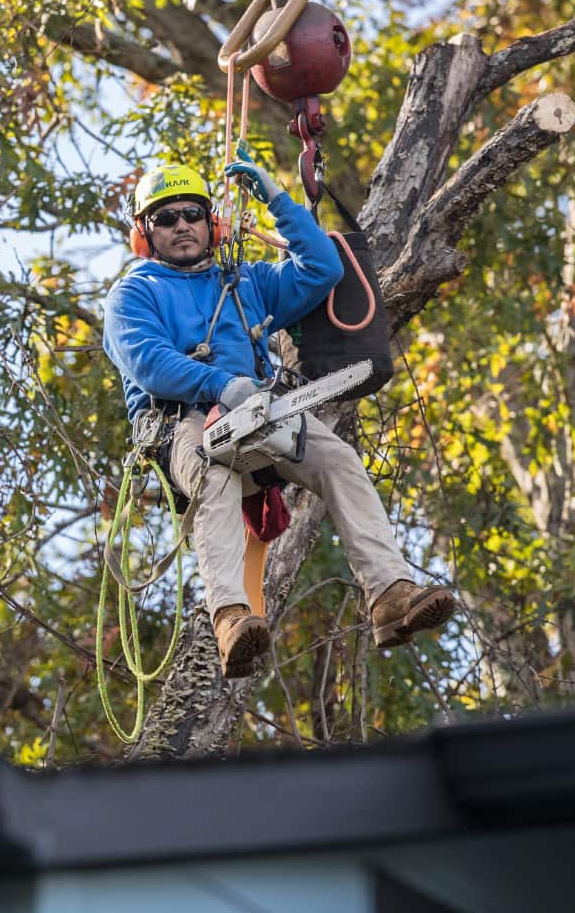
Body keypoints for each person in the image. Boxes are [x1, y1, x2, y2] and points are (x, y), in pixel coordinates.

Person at [101, 157, 457, 678]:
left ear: (210, 221)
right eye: (166, 218)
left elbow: (322, 268)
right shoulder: (134, 293)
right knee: (214, 477)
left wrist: (276, 199)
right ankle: (230, 616)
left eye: (192, 214)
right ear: (145, 232)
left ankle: (389, 593)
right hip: (184, 422)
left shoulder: (244, 280)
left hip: (258, 413)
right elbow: (149, 362)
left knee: (338, 460)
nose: (181, 226)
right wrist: (220, 385)